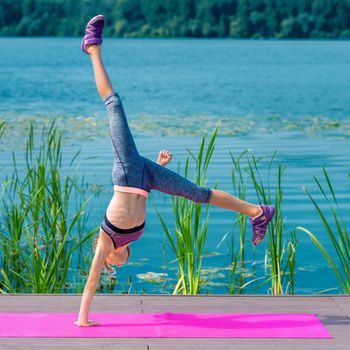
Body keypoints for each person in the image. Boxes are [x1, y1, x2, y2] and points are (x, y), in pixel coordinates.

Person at [74, 15, 275, 327]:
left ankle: (92, 47)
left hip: (128, 172)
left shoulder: (105, 242)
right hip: (146, 179)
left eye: (118, 261)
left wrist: (83, 319)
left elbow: (91, 280)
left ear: (110, 261)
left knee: (113, 104)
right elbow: (138, 203)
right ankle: (257, 212)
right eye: (124, 258)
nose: (124, 258)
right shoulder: (130, 238)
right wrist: (158, 166)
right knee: (199, 194)